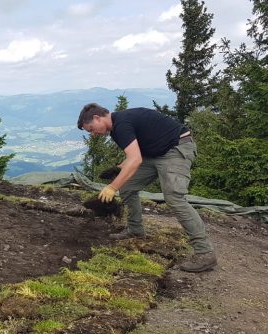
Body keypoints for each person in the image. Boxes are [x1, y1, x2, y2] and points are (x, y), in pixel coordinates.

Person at [77, 103, 216, 273]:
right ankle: (135, 229)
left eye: (91, 128)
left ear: (98, 118)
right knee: (127, 187)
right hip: (154, 154)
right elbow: (135, 155)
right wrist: (120, 168)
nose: (93, 134)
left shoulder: (121, 124)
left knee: (174, 197)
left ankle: (205, 253)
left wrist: (112, 187)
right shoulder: (116, 128)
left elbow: (135, 160)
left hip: (176, 148)